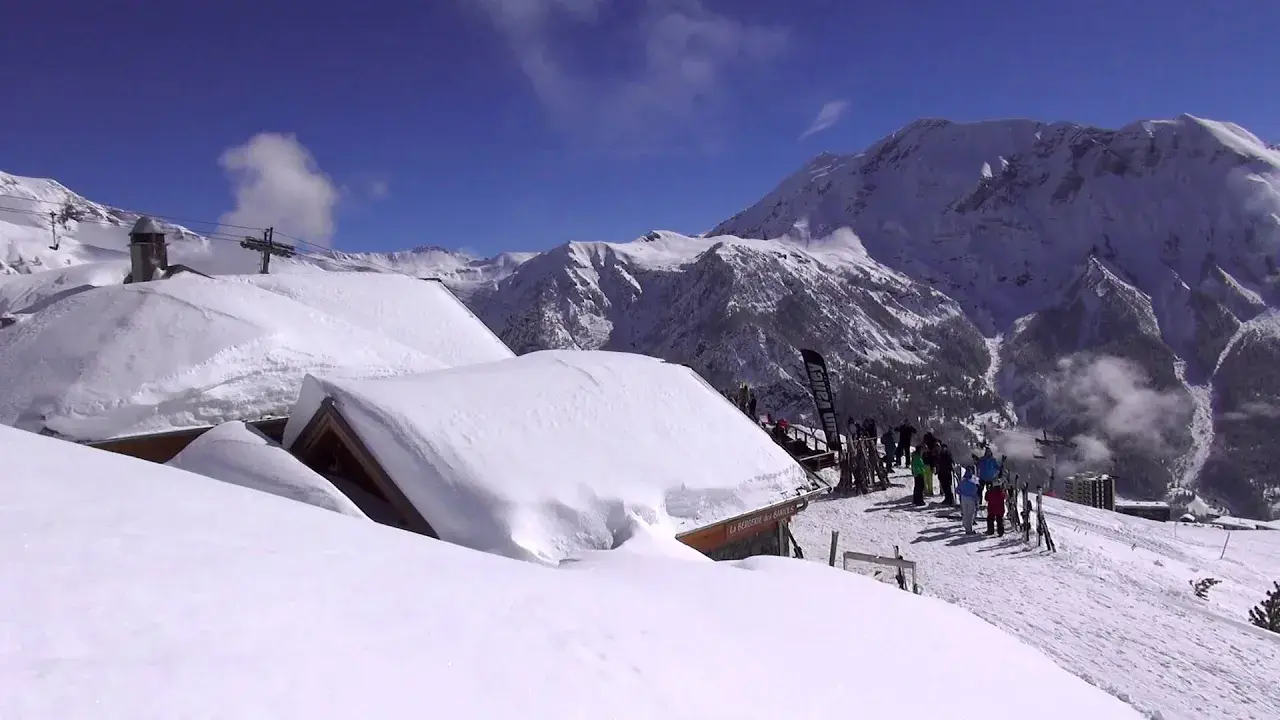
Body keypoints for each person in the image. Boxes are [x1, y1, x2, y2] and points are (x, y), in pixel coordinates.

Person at [977, 448, 1001, 513]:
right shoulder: (982, 459)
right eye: (987, 452)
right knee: (980, 490)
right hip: (982, 477)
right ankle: (979, 503)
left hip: (990, 478)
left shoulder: (993, 460)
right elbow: (977, 464)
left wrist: (1000, 468)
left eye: (989, 452)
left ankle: (989, 504)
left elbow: (997, 467)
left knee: (990, 492)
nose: (988, 453)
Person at [957, 466, 980, 534]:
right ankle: (969, 529)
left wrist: (962, 494)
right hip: (971, 499)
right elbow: (975, 493)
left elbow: (957, 490)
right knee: (970, 514)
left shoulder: (962, 482)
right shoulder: (973, 483)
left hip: (963, 498)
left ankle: (965, 525)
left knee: (965, 513)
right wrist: (977, 502)